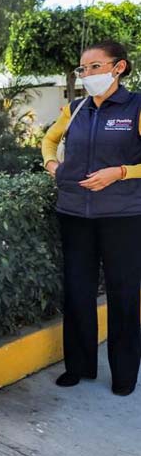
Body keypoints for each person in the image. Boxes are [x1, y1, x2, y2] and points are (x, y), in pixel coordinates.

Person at [41, 40, 141, 397]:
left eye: (95, 67)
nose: (87, 74)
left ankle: (125, 374)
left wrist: (121, 172)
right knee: (78, 292)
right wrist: (52, 164)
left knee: (124, 294)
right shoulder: (76, 108)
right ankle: (78, 367)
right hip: (74, 214)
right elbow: (48, 141)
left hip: (123, 217)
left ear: (119, 67)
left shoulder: (136, 106)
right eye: (83, 69)